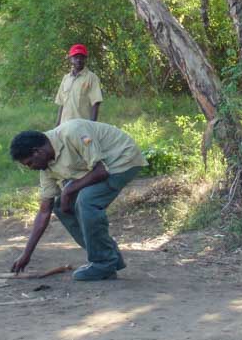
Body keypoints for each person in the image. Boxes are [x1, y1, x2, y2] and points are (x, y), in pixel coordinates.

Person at [9, 119, 146, 281]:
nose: (31, 168)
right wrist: (26, 254)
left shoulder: (73, 132)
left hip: (122, 160)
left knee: (86, 201)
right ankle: (108, 257)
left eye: (29, 163)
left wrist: (68, 191)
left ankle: (103, 263)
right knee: (60, 207)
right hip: (99, 170)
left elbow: (101, 171)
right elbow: (44, 211)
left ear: (37, 151)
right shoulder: (46, 168)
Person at [55, 43, 104, 126]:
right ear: (71, 59)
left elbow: (96, 103)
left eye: (81, 57)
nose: (78, 60)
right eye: (76, 57)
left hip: (82, 126)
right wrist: (57, 126)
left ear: (85, 59)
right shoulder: (66, 78)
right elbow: (61, 104)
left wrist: (92, 126)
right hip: (64, 126)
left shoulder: (92, 78)